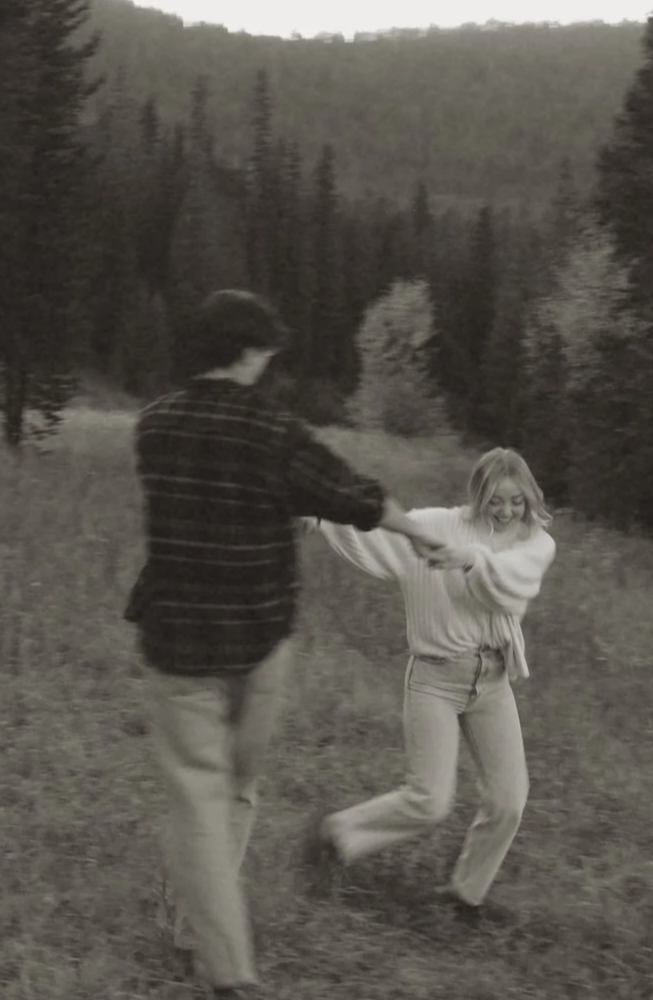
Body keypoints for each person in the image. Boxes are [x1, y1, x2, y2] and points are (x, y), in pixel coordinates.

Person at [125, 289, 447, 997]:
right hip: (257, 640)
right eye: (266, 350)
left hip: (177, 639)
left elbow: (213, 499)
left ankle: (199, 932)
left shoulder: (154, 424)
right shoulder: (272, 430)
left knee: (199, 796)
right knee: (234, 791)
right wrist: (419, 532)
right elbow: (349, 493)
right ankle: (229, 972)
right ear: (247, 351)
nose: (269, 362)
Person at [299, 447, 557, 927]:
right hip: (435, 678)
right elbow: (375, 534)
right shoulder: (437, 525)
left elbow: (511, 583)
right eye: (496, 500)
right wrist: (321, 518)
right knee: (430, 801)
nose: (506, 511)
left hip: (491, 681)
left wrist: (469, 559)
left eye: (516, 501)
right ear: (478, 495)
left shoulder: (536, 542)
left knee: (509, 801)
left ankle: (465, 898)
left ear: (529, 499)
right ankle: (336, 834)